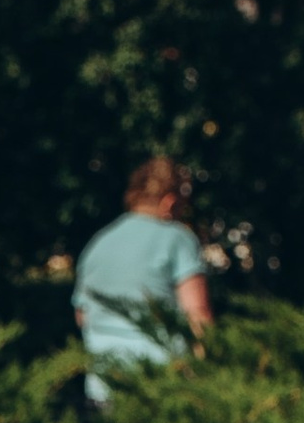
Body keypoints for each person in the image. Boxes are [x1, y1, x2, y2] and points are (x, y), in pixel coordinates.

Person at [72, 156, 212, 401]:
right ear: (170, 202)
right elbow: (197, 313)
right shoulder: (178, 238)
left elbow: (82, 316)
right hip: (163, 383)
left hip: (104, 386)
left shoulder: (98, 243)